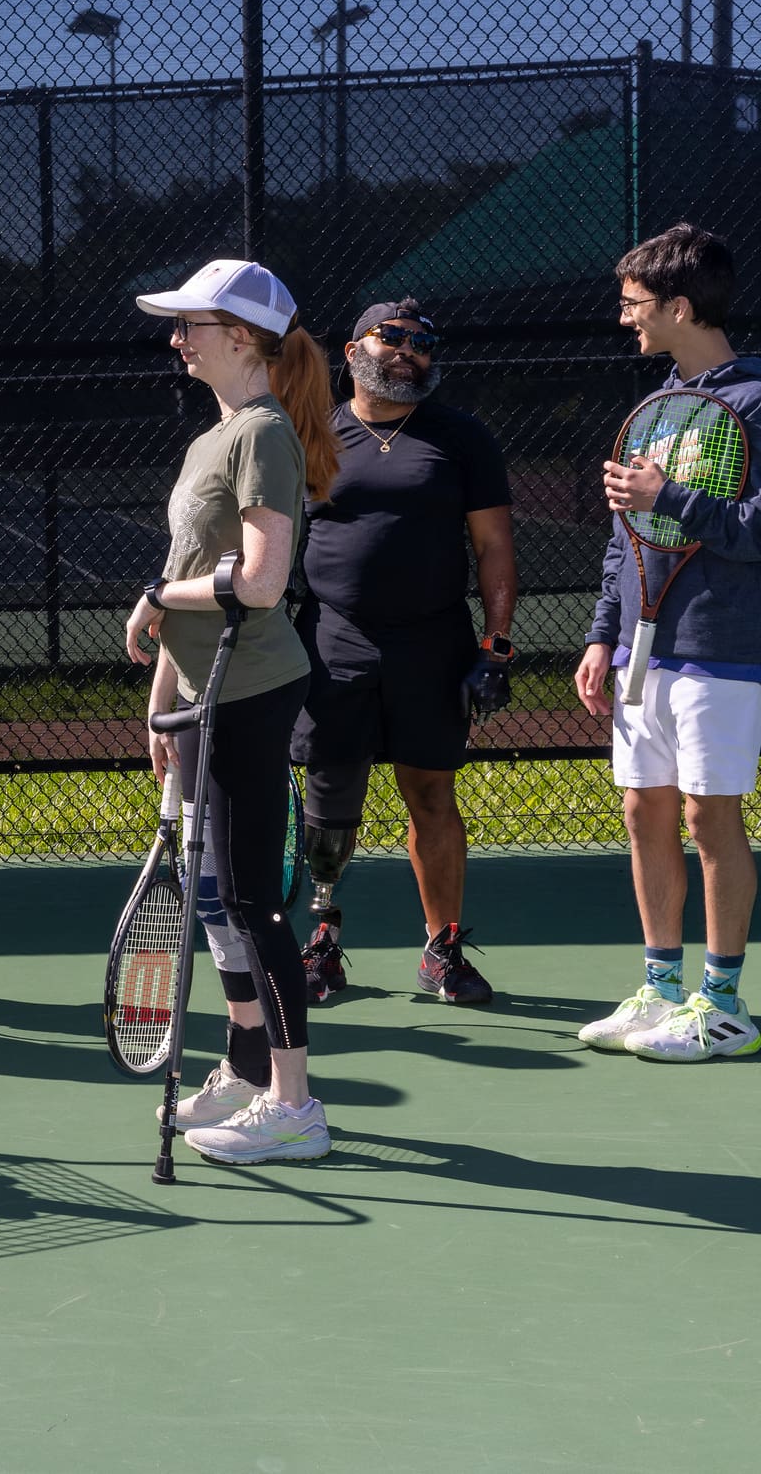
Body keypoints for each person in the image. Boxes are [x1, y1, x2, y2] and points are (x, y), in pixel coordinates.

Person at [124, 260, 340, 1164]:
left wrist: (157, 595)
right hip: (206, 694)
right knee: (221, 898)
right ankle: (247, 1070)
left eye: (193, 326)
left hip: (251, 693)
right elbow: (190, 567)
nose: (177, 340)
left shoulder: (266, 437)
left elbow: (259, 580)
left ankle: (295, 1104)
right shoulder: (212, 437)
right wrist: (161, 697)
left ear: (242, 338)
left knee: (254, 902)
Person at [288, 298, 519, 1007]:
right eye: (391, 338)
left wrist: (496, 646)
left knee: (431, 793)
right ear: (354, 348)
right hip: (332, 641)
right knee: (331, 801)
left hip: (433, 641)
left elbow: (493, 546)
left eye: (421, 343)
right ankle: (321, 941)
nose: (406, 352)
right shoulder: (310, 432)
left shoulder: (461, 437)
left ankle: (441, 950)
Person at [575, 223, 761, 1062]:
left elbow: (755, 531)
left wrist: (672, 495)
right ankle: (659, 988)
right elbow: (627, 539)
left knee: (706, 815)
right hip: (641, 654)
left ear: (680, 306)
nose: (626, 320)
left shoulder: (756, 403)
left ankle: (721, 1003)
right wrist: (602, 634)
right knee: (643, 808)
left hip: (722, 647)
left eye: (636, 305)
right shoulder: (653, 409)